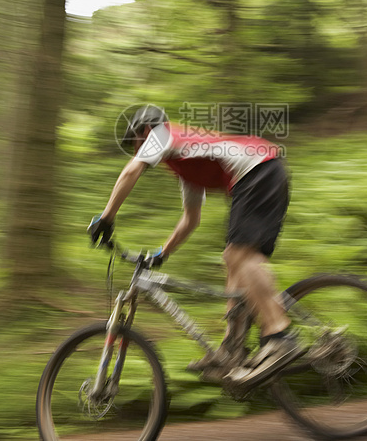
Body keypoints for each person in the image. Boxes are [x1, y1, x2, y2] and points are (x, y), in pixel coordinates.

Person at [88, 104, 302, 388]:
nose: (136, 148)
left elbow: (130, 173)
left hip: (258, 170)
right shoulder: (186, 159)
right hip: (262, 171)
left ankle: (278, 336)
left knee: (239, 255)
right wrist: (161, 253)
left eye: (136, 141)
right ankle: (232, 350)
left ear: (145, 130)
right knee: (234, 261)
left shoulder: (163, 133)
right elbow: (191, 219)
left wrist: (106, 218)